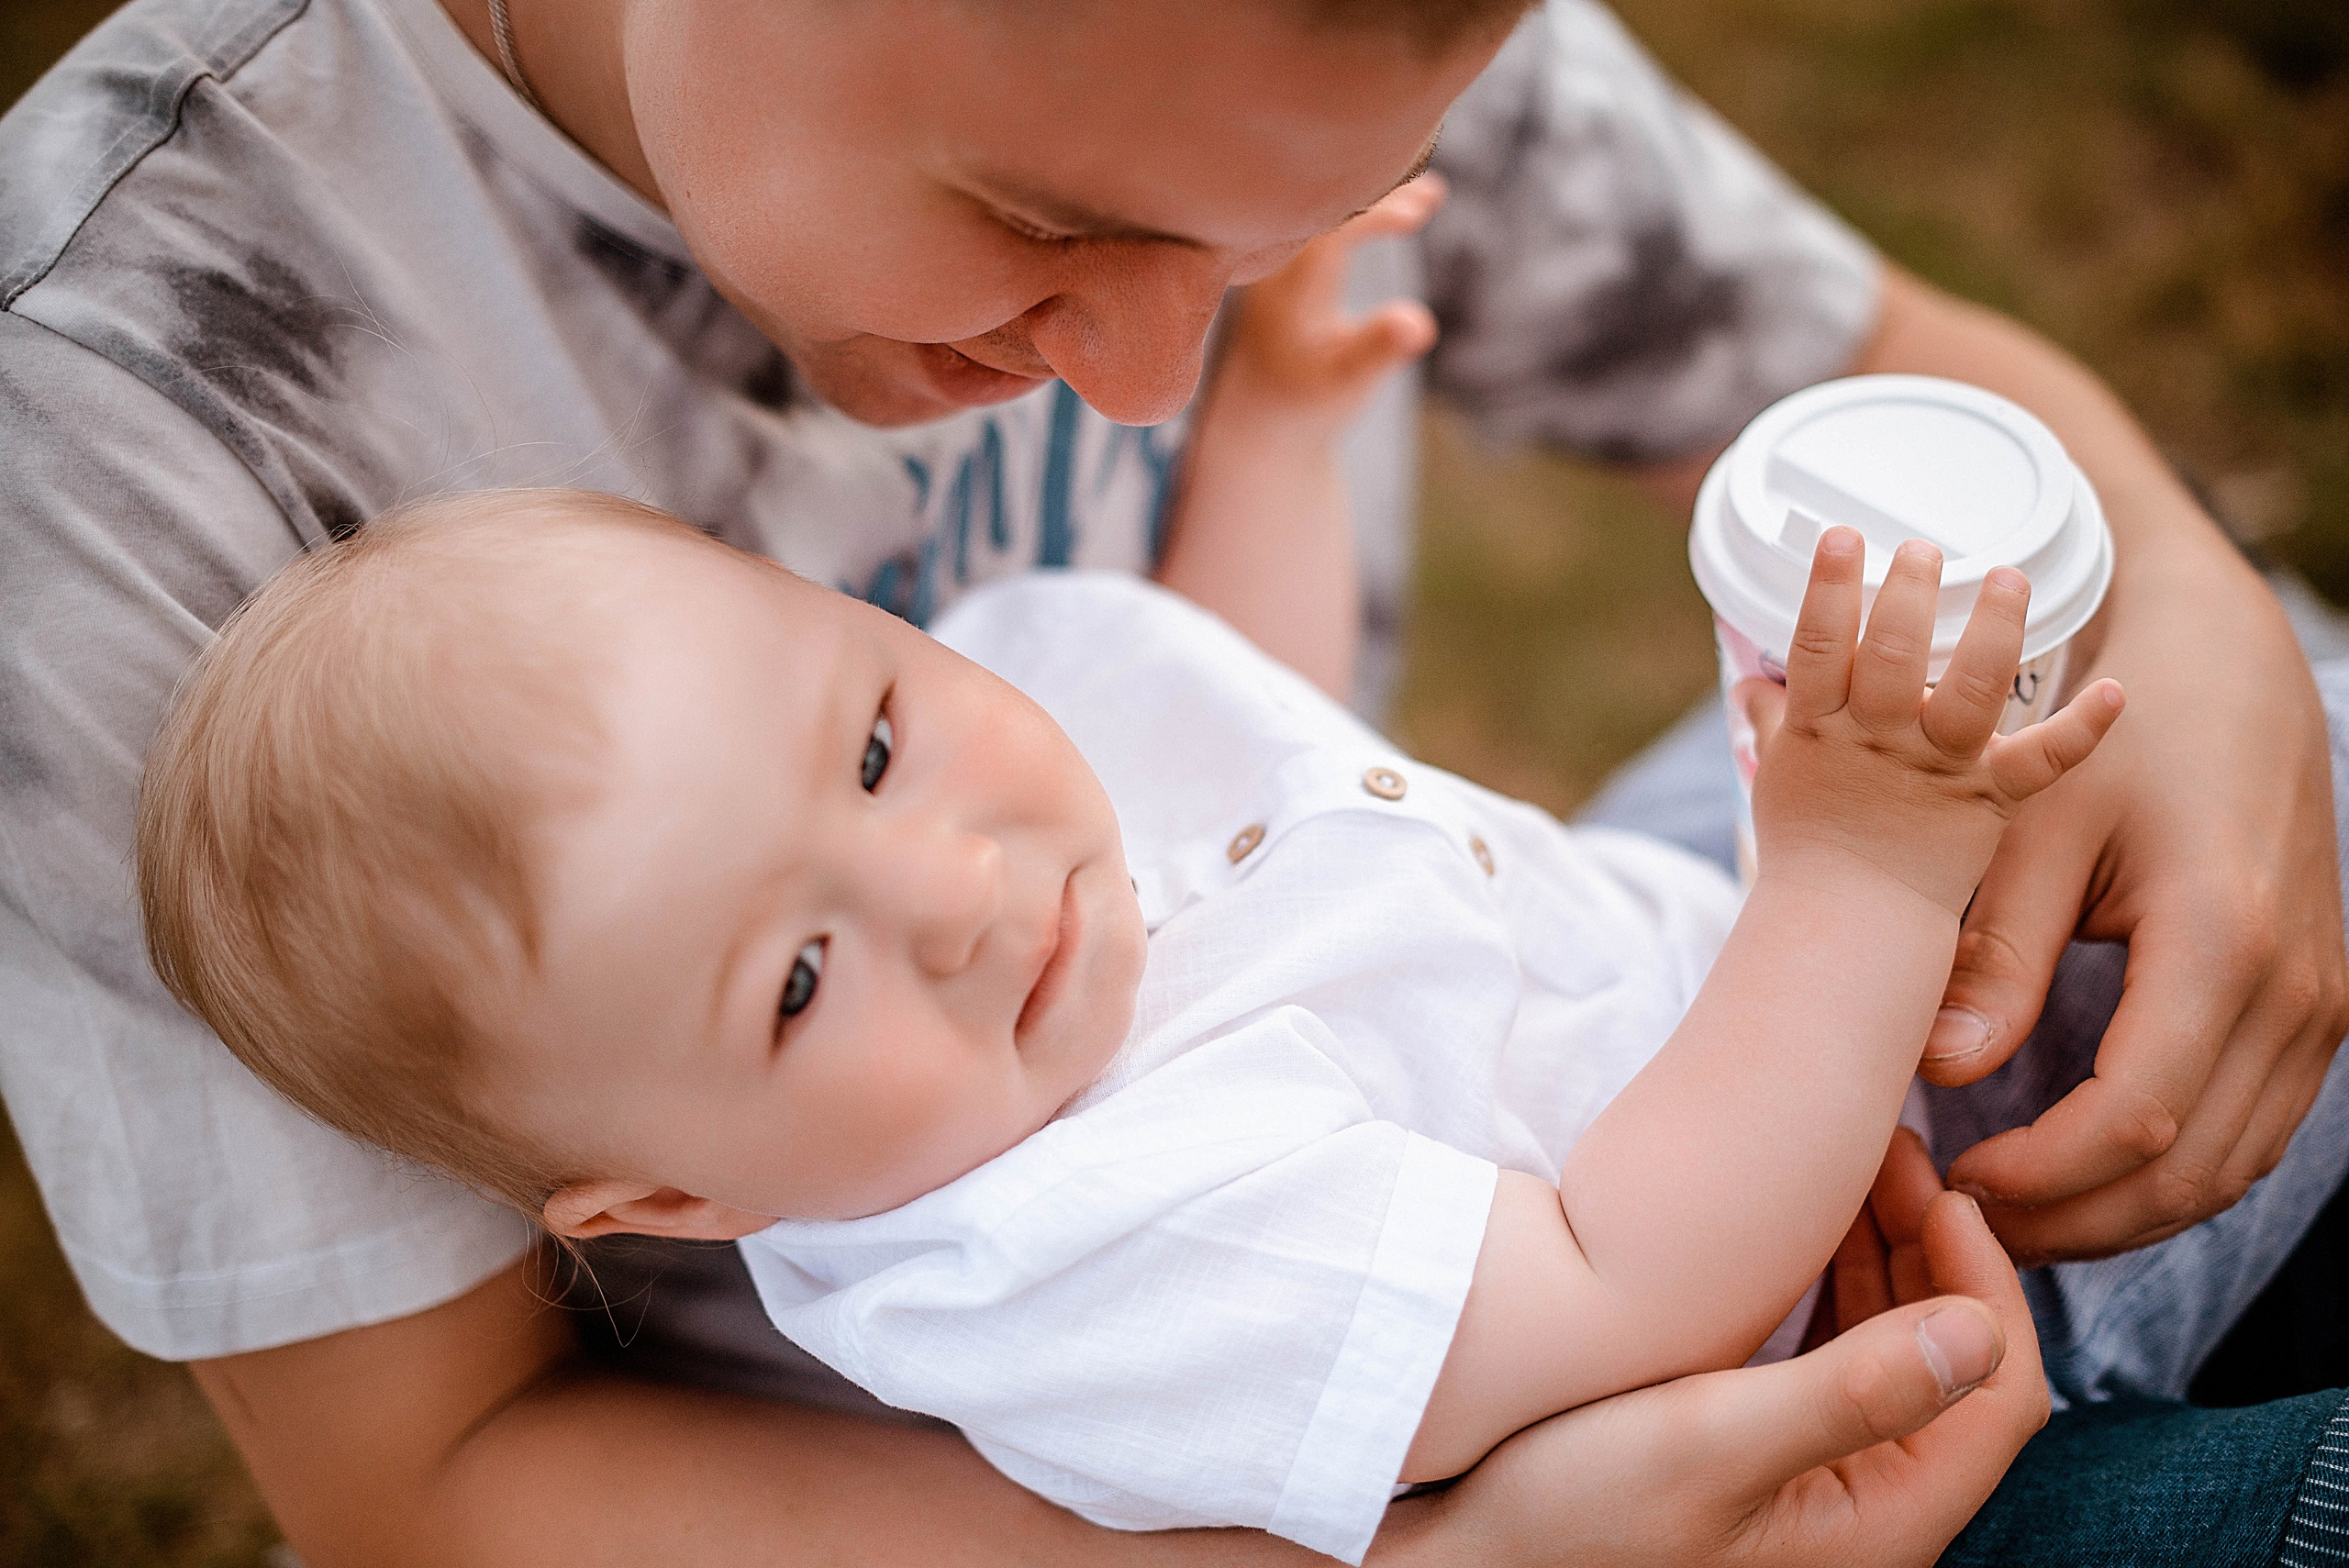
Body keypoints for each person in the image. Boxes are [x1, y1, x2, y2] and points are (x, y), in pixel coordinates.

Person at [0, 0, 2341, 1561]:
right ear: (661, 1194)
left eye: (885, 735)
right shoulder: (1068, 1254)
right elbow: (1620, 1281)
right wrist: (1854, 868)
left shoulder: (962, 804)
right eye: (801, 981)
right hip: (1796, 1348)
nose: (1142, 378)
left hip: (1669, 986)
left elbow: (1221, 701)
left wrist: (2192, 607)